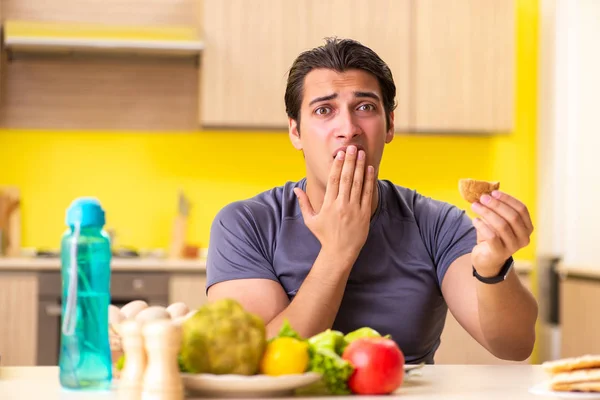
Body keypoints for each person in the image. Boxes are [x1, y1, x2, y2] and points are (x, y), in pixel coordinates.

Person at [205, 37, 538, 364]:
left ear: (389, 124)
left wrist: (494, 268)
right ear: (295, 132)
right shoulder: (244, 224)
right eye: (324, 110)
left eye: (365, 107)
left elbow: (514, 346)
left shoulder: (438, 224)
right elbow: (256, 361)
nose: (348, 128)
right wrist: (338, 252)